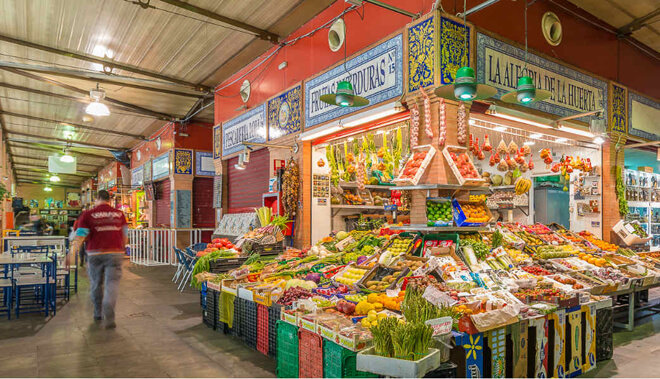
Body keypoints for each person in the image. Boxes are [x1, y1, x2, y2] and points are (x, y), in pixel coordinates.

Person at [70, 190, 128, 329]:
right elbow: (125, 234)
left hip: (94, 253)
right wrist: (122, 247)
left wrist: (71, 254)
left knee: (96, 284)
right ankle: (109, 308)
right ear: (109, 200)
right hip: (114, 252)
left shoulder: (88, 214)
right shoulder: (119, 214)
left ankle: (97, 312)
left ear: (97, 199)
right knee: (112, 283)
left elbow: (80, 236)